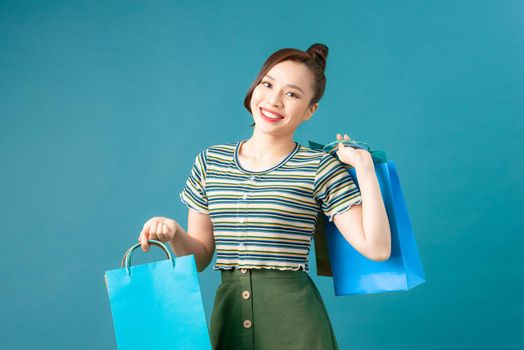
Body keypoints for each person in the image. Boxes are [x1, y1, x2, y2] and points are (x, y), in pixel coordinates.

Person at [137, 43, 391, 350]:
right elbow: (201, 257)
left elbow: (377, 249)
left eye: (292, 94)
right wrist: (175, 234)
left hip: (297, 328)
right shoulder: (210, 162)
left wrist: (365, 170)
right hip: (229, 321)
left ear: (311, 110)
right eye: (268, 84)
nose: (273, 100)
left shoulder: (318, 167)